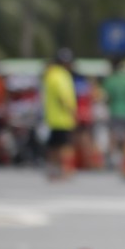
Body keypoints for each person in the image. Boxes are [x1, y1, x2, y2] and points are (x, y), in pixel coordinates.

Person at [42, 49, 78, 180]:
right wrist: (72, 112)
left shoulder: (50, 75)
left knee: (53, 146)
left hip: (52, 118)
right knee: (64, 146)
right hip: (63, 118)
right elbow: (63, 97)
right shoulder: (62, 75)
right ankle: (65, 171)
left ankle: (53, 170)